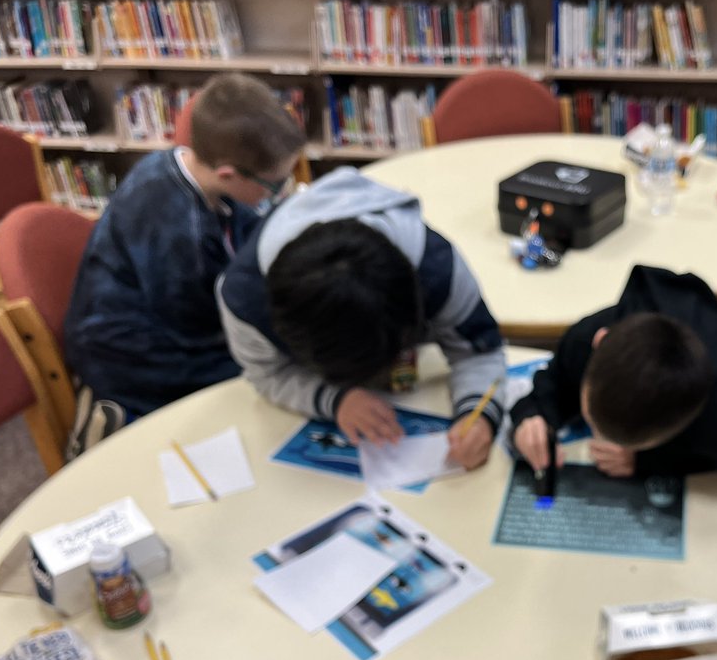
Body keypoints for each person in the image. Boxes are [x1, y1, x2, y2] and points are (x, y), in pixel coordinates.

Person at [217, 167, 507, 471]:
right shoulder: (245, 298)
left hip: (420, 397)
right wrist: (334, 399)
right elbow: (267, 373)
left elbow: (480, 351)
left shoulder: (438, 269)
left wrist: (479, 413)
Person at [64, 73, 306, 420]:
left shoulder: (194, 167)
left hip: (174, 321)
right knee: (277, 373)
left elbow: (249, 236)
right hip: (131, 355)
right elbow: (199, 328)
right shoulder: (178, 231)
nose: (280, 190)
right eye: (277, 183)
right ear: (228, 175)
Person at [511, 264, 717, 478]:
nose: (596, 436)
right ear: (601, 340)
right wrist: (533, 415)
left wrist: (652, 462)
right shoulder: (585, 338)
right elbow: (557, 379)